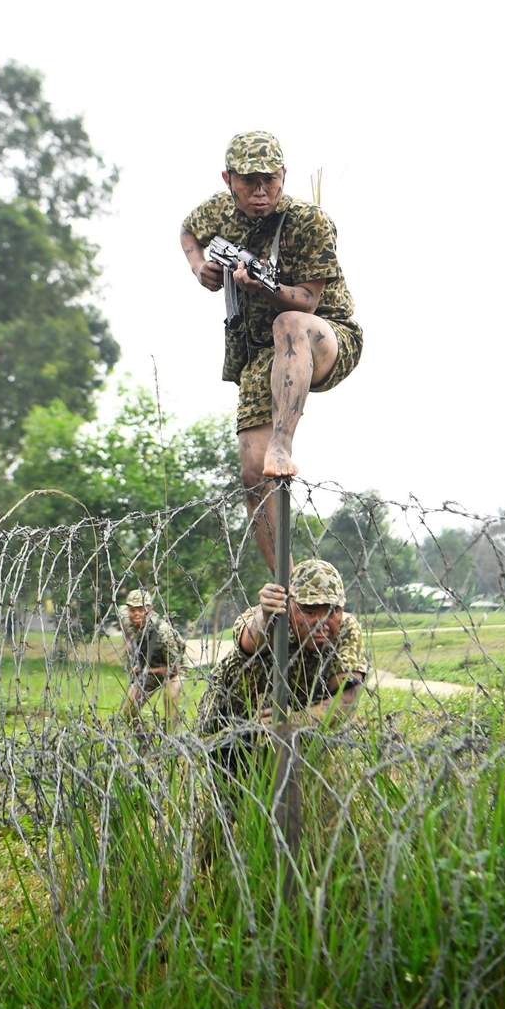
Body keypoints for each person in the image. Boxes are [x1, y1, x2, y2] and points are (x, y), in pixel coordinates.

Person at [181, 131, 363, 571]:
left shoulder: (308, 221)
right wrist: (198, 266)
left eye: (270, 180)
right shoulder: (219, 211)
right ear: (228, 179)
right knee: (251, 471)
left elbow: (307, 301)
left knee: (288, 323)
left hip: (324, 337)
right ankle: (287, 587)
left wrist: (261, 283)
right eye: (249, 182)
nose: (261, 192)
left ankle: (284, 443)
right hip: (261, 354)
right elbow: (188, 231)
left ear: (284, 175)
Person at [198, 559, 370, 736]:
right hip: (226, 717)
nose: (321, 623)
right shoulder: (271, 618)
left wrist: (295, 721)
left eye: (331, 611)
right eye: (310, 612)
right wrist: (268, 619)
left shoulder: (346, 629)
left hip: (294, 721)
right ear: (290, 605)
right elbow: (252, 639)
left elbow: (346, 698)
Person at [120, 589, 186, 731]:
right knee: (129, 711)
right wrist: (132, 655)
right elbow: (122, 617)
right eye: (132, 610)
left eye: (141, 609)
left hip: (173, 666)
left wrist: (146, 670)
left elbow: (174, 668)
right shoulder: (126, 617)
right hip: (149, 665)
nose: (137, 614)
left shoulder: (162, 631)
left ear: (150, 609)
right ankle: (145, 745)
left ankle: (169, 742)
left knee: (170, 696)